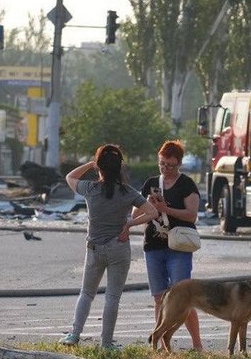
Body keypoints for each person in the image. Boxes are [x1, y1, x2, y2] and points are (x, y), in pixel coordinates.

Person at [59, 144, 159, 348]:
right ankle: (106, 343)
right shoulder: (128, 192)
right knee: (112, 297)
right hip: (119, 247)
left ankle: (74, 335)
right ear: (120, 168)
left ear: (100, 167)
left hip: (94, 248)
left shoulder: (89, 188)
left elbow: (70, 177)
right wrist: (129, 224)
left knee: (86, 293)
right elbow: (153, 212)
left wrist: (91, 163)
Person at [135, 140, 204, 351]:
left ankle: (197, 344)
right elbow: (135, 213)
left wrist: (166, 208)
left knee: (184, 296)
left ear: (180, 164)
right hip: (153, 245)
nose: (166, 168)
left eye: (171, 165)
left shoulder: (186, 184)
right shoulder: (151, 183)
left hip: (179, 246)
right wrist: (147, 203)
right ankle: (160, 346)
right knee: (159, 297)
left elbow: (192, 215)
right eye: (162, 164)